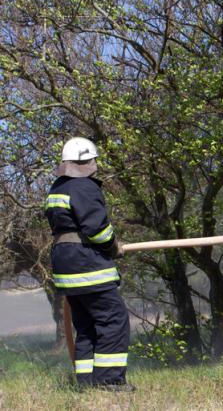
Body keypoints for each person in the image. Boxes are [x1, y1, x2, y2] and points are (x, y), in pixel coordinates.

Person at [44, 137, 133, 392]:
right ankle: (109, 382)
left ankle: (86, 384)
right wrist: (113, 246)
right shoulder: (84, 187)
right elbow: (96, 229)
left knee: (86, 326)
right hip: (86, 264)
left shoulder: (57, 187)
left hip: (65, 265)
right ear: (88, 162)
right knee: (113, 320)